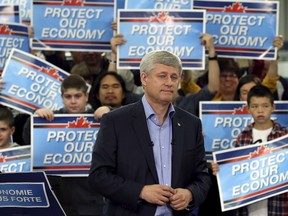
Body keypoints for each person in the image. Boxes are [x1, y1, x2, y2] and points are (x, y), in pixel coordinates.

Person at [88, 50, 211, 216]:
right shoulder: (115, 121)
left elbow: (202, 177)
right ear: (144, 78)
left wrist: (190, 194)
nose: (169, 82)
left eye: (174, 77)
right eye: (162, 76)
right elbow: (99, 176)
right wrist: (141, 191)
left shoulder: (192, 124)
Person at [22, 74, 104, 216]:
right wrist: (35, 118)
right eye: (68, 96)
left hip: (91, 198)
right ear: (62, 97)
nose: (73, 101)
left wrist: (109, 112)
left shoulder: (100, 118)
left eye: (77, 96)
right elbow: (28, 141)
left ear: (86, 96)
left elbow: (123, 136)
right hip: (59, 197)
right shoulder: (49, 119)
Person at [211, 84, 288, 215]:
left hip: (278, 206)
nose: (260, 111)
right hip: (248, 207)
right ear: (248, 109)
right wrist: (221, 169)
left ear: (273, 107)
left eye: (265, 106)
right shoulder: (242, 137)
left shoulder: (284, 136)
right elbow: (234, 172)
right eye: (255, 106)